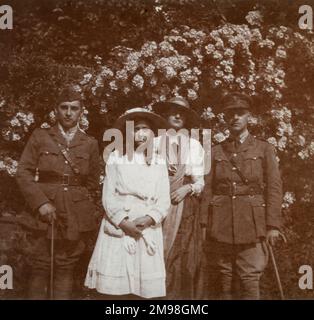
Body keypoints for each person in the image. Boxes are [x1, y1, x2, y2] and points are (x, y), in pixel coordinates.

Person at [16, 85, 100, 299]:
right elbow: (23, 173)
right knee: (40, 265)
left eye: (74, 108)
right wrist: (41, 203)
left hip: (74, 215)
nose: (69, 113)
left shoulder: (89, 143)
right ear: (56, 109)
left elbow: (91, 183)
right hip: (43, 214)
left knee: (65, 267)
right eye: (64, 107)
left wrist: (81, 207)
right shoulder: (40, 136)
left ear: (81, 111)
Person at [200, 92, 283, 300]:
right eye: (230, 114)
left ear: (249, 117)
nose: (235, 117)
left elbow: (274, 188)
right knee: (223, 277)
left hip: (253, 223)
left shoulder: (264, 148)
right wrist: (203, 224)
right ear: (225, 118)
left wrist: (273, 225)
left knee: (250, 276)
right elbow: (207, 189)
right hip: (221, 223)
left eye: (240, 113)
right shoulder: (215, 151)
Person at [85, 107, 171, 299]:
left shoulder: (158, 161)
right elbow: (108, 196)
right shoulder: (116, 157)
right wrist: (124, 223)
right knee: (117, 288)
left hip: (146, 227)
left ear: (153, 133)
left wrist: (148, 219)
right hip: (121, 225)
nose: (141, 134)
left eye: (145, 129)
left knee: (144, 288)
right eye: (136, 128)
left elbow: (164, 199)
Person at [153, 96, 205, 299]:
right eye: (173, 111)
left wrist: (188, 188)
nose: (177, 115)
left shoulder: (194, 146)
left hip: (182, 205)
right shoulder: (153, 143)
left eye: (181, 113)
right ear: (166, 114)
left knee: (180, 255)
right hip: (155, 200)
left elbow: (200, 182)